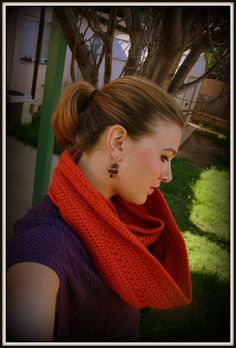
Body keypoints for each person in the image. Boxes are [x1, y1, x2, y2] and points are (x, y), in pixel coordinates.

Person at [6, 76, 192, 342]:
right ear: (118, 142)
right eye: (164, 157)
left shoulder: (123, 218)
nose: (168, 175)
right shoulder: (41, 254)